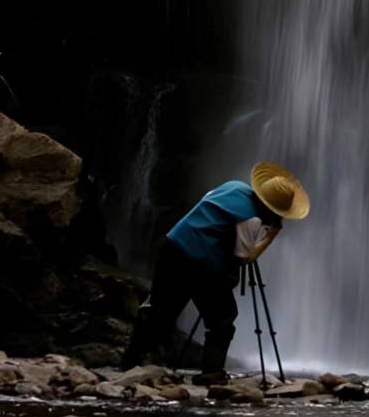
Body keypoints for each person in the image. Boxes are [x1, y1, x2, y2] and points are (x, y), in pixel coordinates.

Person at [121, 161, 309, 385]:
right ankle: (211, 373)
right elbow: (244, 256)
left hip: (174, 246)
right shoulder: (252, 219)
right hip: (203, 264)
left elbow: (209, 204)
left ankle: (129, 362)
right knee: (223, 317)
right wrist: (270, 235)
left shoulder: (233, 186)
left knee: (161, 310)